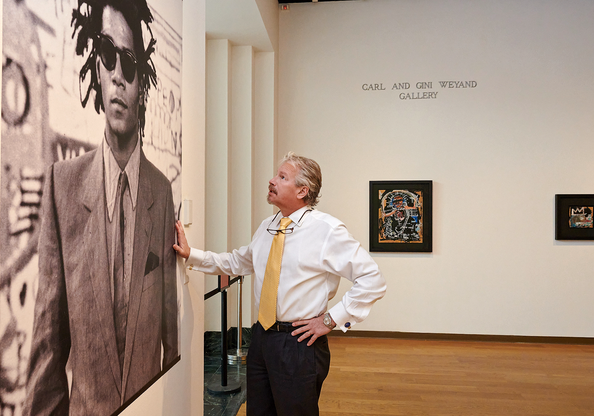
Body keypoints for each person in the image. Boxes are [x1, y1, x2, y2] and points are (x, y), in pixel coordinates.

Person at [23, 1, 178, 415]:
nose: (117, 77)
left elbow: (172, 336)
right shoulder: (63, 186)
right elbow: (48, 347)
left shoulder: (161, 193)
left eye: (129, 64)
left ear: (142, 83)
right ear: (96, 67)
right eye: (108, 56)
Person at [174, 152, 386, 416]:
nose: (272, 181)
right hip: (262, 339)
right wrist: (191, 254)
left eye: (282, 177)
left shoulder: (327, 230)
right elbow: (238, 262)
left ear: (302, 190)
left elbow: (372, 279)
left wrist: (331, 320)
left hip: (298, 343)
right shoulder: (268, 226)